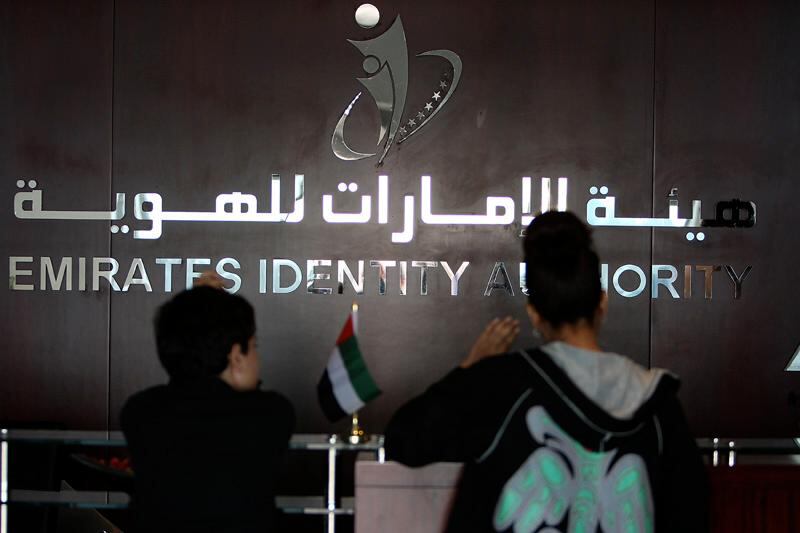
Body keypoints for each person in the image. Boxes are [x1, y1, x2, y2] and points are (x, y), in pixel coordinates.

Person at [385, 211, 708, 532]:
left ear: (534, 314)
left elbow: (404, 439)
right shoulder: (658, 405)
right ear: (603, 304)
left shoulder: (500, 386)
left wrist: (471, 367)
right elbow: (691, 515)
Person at [120, 277, 294, 533]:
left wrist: (197, 308)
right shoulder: (272, 414)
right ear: (236, 357)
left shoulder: (139, 412)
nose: (257, 358)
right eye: (254, 346)